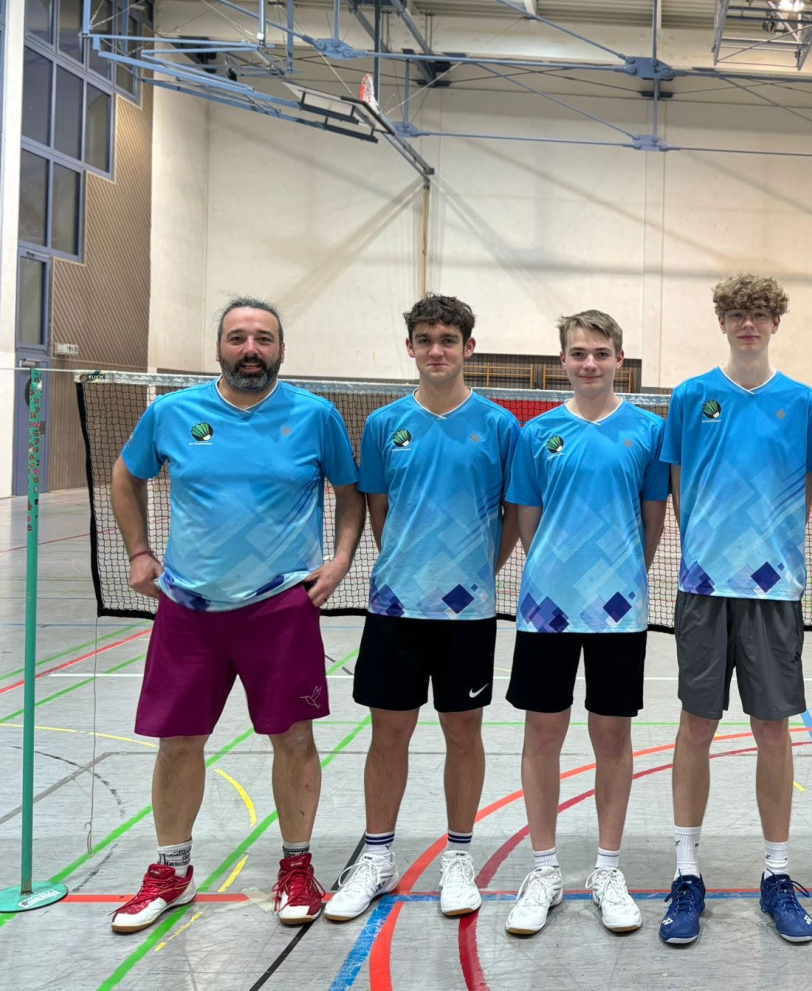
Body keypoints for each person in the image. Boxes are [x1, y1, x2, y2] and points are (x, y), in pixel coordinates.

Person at [108, 298, 363, 933]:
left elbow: (350, 493)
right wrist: (139, 553)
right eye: (237, 337)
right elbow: (124, 475)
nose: (251, 348)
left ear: (281, 348)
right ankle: (172, 870)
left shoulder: (315, 416)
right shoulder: (173, 412)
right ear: (218, 346)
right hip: (190, 607)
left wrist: (337, 564)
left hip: (280, 606)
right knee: (179, 741)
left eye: (264, 339)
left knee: (295, 740)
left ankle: (297, 866)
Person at [325, 295, 521, 923]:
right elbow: (378, 507)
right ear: (409, 347)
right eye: (425, 339)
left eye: (448, 338)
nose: (437, 349)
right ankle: (377, 858)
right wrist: (407, 568)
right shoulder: (385, 424)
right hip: (394, 606)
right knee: (389, 734)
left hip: (469, 614)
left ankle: (458, 858)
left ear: (469, 347)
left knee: (463, 733)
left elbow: (512, 517)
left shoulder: (500, 426)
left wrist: (476, 574)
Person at [658, 274, 812, 947]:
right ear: (722, 320)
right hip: (703, 590)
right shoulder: (691, 397)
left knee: (773, 734)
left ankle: (777, 874)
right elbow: (677, 491)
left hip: (774, 595)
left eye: (759, 314)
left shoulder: (804, 403)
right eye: (736, 312)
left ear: (775, 322)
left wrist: (771, 557)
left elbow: (808, 493)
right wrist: (712, 551)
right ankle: (687, 872)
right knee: (695, 728)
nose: (747, 323)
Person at [502, 310, 669, 937]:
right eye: (578, 353)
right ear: (563, 362)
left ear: (619, 360)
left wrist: (617, 581)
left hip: (620, 616)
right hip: (546, 613)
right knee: (542, 736)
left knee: (612, 738)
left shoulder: (648, 432)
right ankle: (543, 869)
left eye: (601, 353)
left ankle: (606, 867)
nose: (590, 363)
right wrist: (556, 578)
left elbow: (652, 521)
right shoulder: (537, 433)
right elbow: (526, 518)